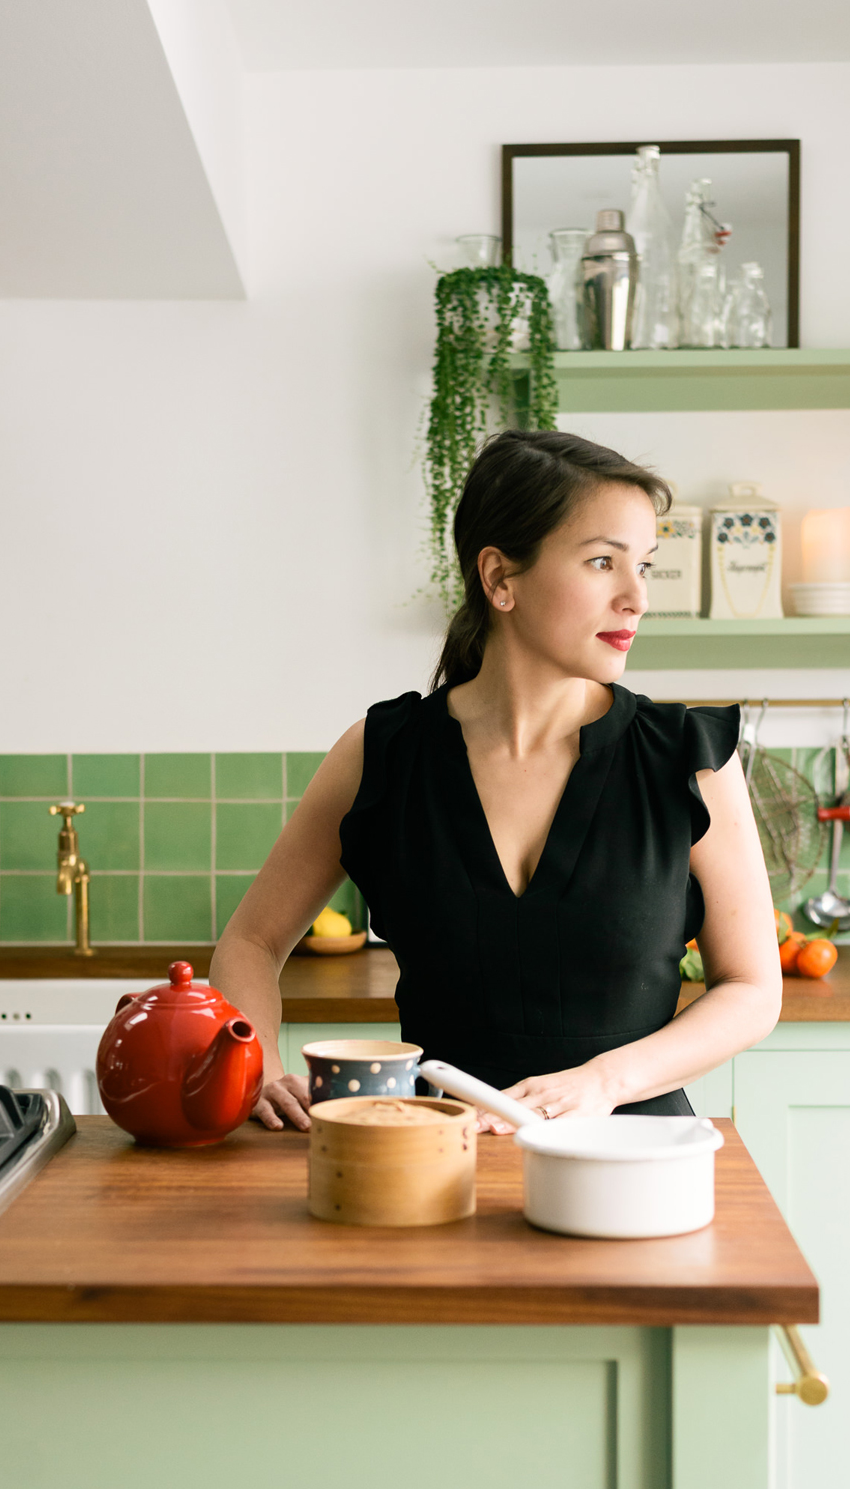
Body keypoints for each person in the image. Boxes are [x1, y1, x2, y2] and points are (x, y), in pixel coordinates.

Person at [209, 429, 780, 1133]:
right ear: (500, 578)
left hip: (632, 1170)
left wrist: (603, 1082)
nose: (636, 598)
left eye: (645, 567)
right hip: (427, 1165)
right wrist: (259, 1067)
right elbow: (249, 944)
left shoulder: (688, 758)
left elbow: (753, 990)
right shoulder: (381, 754)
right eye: (603, 562)